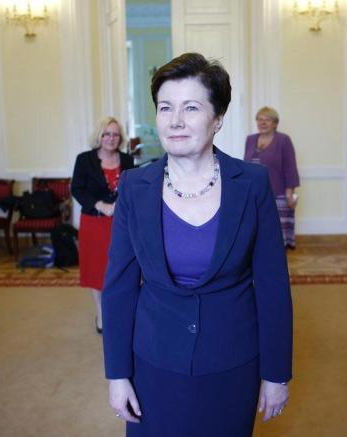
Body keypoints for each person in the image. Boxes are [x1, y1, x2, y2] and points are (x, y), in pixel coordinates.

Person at [102, 53, 293, 436]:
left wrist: (276, 373)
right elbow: (119, 288)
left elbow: (272, 286)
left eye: (191, 107)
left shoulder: (252, 184)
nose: (175, 120)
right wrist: (117, 374)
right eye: (165, 107)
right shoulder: (135, 187)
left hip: (231, 361)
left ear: (217, 117)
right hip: (153, 362)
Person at [71, 117, 134, 334]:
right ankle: (100, 313)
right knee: (97, 268)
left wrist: (120, 204)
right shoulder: (84, 160)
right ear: (99, 136)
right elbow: (77, 189)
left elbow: (131, 188)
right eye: (106, 134)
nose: (111, 138)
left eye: (115, 134)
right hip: (94, 222)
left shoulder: (127, 160)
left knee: (120, 268)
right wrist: (100, 205)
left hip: (121, 224)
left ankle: (118, 309)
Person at [244, 107, 300, 249]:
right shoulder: (250, 139)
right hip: (254, 195)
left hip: (278, 194)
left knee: (279, 234)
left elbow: (290, 167)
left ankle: (279, 259)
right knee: (258, 231)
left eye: (267, 120)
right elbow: (245, 166)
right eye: (260, 119)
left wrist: (289, 193)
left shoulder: (283, 140)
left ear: (275, 123)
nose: (263, 123)